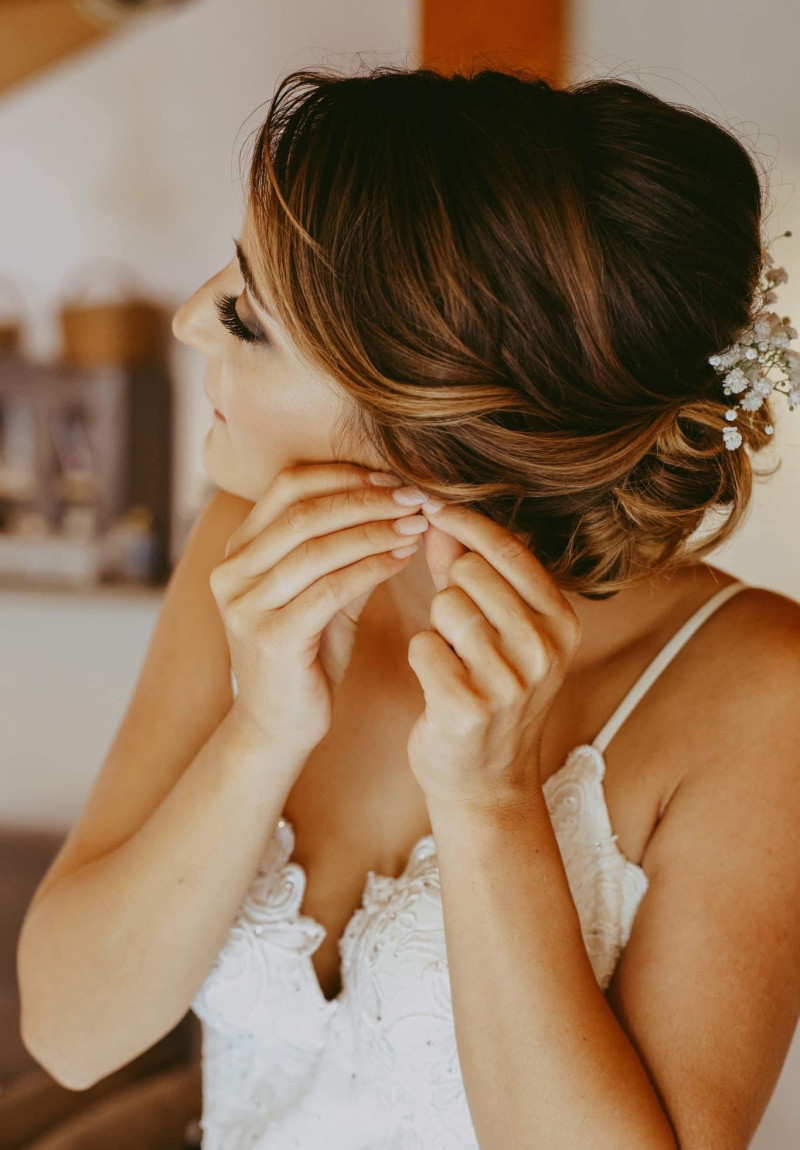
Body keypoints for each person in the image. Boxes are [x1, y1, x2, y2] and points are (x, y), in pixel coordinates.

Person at [18, 64, 800, 1150]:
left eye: (247, 317)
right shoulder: (244, 545)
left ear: (425, 425)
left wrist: (488, 804)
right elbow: (68, 1031)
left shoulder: (759, 687)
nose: (193, 319)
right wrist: (258, 734)